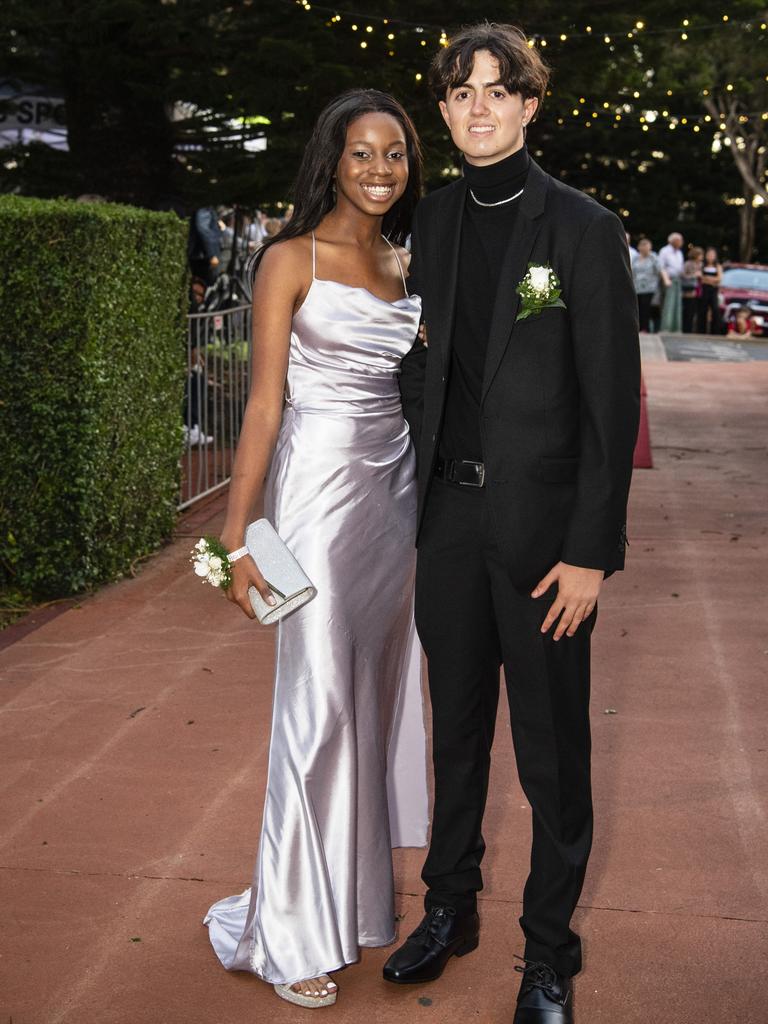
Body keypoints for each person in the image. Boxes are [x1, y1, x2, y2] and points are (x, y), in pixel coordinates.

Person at [385, 24, 640, 1024]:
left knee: (550, 752)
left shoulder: (581, 228)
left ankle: (548, 954)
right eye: (460, 92)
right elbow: (426, 357)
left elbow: (610, 404)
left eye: (498, 91)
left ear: (530, 107)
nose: (478, 107)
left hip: (545, 544)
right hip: (449, 523)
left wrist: (591, 552)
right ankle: (449, 907)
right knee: (454, 739)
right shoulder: (436, 220)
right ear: (443, 109)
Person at [202, 89, 428, 1009]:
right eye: (362, 152)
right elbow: (263, 405)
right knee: (318, 708)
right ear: (331, 160)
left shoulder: (410, 263)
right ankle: (290, 928)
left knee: (371, 709)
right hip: (317, 500)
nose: (379, 170)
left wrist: (557, 283)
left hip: (397, 500)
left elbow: (523, 301)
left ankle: (351, 908)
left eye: (397, 156)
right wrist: (235, 533)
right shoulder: (289, 259)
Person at [631, 237, 661, 332]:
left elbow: (659, 270)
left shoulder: (653, 257)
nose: (645, 249)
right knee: (638, 308)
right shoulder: (635, 258)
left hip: (649, 287)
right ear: (639, 247)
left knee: (646, 308)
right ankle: (637, 328)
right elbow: (632, 271)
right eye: (643, 246)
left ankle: (645, 328)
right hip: (637, 287)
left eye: (647, 247)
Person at [188, 206, 222, 285]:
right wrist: (212, 254)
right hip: (203, 255)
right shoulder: (205, 206)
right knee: (202, 286)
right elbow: (202, 228)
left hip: (203, 255)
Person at [658, 231, 684, 332]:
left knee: (677, 305)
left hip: (678, 280)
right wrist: (666, 280)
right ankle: (666, 327)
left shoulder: (679, 252)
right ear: (673, 241)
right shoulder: (665, 251)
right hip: (668, 280)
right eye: (679, 240)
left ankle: (675, 328)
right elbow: (661, 267)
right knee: (668, 304)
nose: (681, 242)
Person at [698, 246, 723, 334]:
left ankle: (715, 331)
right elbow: (700, 278)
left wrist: (707, 279)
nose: (710, 257)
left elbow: (719, 279)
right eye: (709, 255)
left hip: (713, 291)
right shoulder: (702, 265)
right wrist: (712, 280)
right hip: (704, 290)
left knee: (715, 310)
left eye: (712, 255)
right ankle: (701, 331)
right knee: (702, 310)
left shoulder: (718, 266)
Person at [681, 245, 703, 333]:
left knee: (695, 311)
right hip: (689, 291)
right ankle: (686, 329)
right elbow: (683, 276)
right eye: (701, 255)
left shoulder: (701, 265)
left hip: (698, 291)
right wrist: (694, 275)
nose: (702, 257)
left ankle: (694, 329)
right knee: (688, 311)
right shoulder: (688, 264)